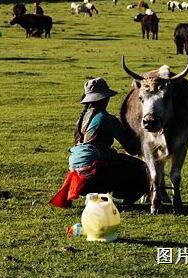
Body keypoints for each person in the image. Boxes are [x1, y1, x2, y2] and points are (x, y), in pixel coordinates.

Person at [50, 78, 149, 208]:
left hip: (75, 171)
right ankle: (125, 200)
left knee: (115, 161)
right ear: (104, 99)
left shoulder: (81, 120)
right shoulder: (108, 119)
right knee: (142, 169)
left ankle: (98, 195)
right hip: (94, 176)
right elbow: (131, 149)